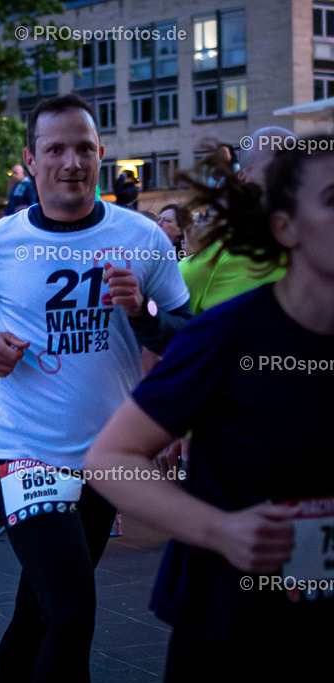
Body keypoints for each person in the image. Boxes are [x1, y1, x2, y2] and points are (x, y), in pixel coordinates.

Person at [0, 93, 191, 682]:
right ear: (30, 159)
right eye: (55, 150)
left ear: (100, 154)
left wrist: (144, 315)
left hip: (107, 459)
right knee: (73, 611)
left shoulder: (142, 237)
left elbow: (187, 333)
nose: (71, 162)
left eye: (83, 149)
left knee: (42, 610)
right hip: (25, 453)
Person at [86, 135, 334, 680]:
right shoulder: (229, 334)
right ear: (285, 227)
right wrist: (221, 529)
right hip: (233, 624)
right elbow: (108, 459)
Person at [180, 127, 293, 315]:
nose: (290, 182)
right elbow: (169, 328)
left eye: (298, 171)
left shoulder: (320, 253)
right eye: (275, 171)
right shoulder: (206, 265)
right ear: (243, 177)